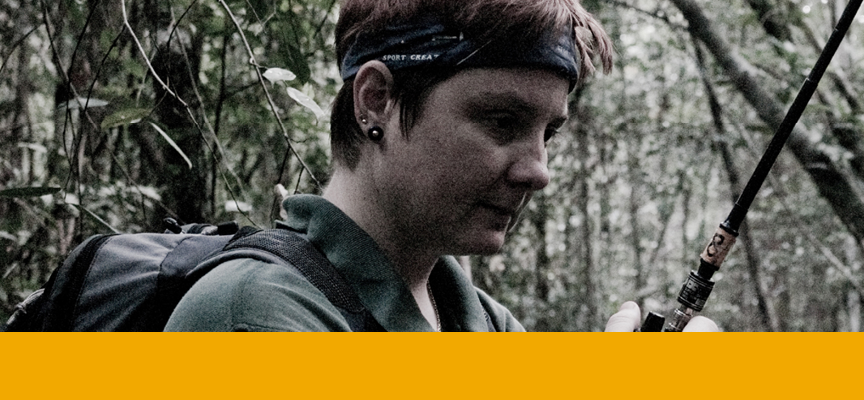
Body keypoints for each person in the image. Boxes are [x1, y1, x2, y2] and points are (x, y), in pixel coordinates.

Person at [164, 0, 718, 332]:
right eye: (502, 120)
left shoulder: (484, 323)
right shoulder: (253, 315)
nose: (538, 170)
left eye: (549, 132)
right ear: (376, 100)